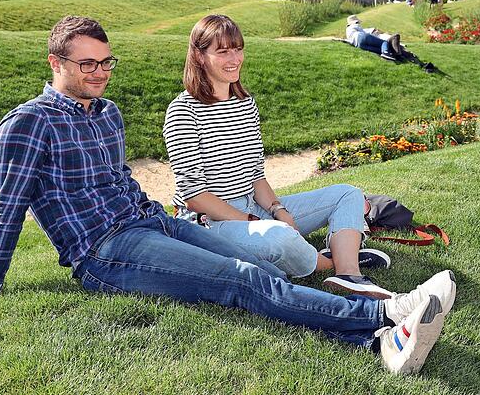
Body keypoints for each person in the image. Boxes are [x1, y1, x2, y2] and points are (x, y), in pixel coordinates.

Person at [0, 15, 458, 375]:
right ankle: (381, 329)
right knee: (242, 278)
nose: (98, 73)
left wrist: (160, 214)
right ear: (56, 63)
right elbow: (7, 208)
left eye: (106, 62)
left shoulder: (108, 113)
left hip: (153, 222)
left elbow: (120, 180)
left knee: (268, 269)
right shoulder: (29, 124)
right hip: (104, 252)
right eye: (85, 64)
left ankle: (367, 296)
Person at [164, 15, 393, 298]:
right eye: (222, 51)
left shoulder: (245, 104)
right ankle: (330, 261)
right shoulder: (183, 111)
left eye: (238, 49)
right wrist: (254, 222)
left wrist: (278, 210)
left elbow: (255, 174)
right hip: (209, 222)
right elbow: (195, 196)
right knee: (280, 237)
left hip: (252, 207)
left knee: (348, 194)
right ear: (199, 56)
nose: (234, 58)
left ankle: (348, 274)